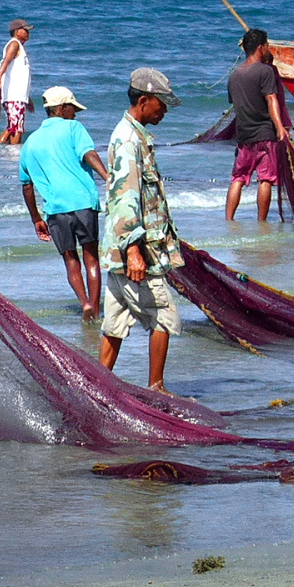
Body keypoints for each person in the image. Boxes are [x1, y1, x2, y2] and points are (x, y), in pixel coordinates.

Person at [101, 67, 185, 389]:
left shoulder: (135, 135)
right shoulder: (127, 140)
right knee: (164, 316)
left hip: (120, 251)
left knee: (116, 321)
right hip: (135, 254)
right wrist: (134, 250)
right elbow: (124, 198)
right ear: (144, 100)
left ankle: (99, 388)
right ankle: (156, 388)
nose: (163, 110)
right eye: (160, 103)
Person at [18, 86, 109, 320]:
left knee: (70, 260)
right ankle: (96, 310)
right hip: (83, 203)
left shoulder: (30, 143)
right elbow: (88, 153)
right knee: (91, 257)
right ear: (60, 108)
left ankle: (84, 304)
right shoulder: (73, 128)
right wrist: (108, 177)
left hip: (55, 210)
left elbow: (26, 186)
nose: (75, 113)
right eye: (72, 108)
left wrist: (36, 218)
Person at [226, 28, 290, 221]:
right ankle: (261, 222)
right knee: (266, 179)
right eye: (267, 45)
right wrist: (280, 128)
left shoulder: (234, 75)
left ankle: (229, 220)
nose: (269, 48)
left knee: (238, 178)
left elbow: (235, 103)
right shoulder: (265, 71)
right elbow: (271, 100)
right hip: (264, 134)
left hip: (243, 136)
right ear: (261, 47)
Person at [0, 19, 32, 144]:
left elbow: (19, 76)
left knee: (16, 126)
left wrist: (27, 97)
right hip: (13, 95)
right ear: (17, 32)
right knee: (15, 127)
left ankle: (9, 151)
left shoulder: (19, 46)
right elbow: (5, 62)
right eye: (25, 30)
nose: (27, 32)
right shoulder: (14, 44)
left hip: (18, 95)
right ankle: (9, 151)